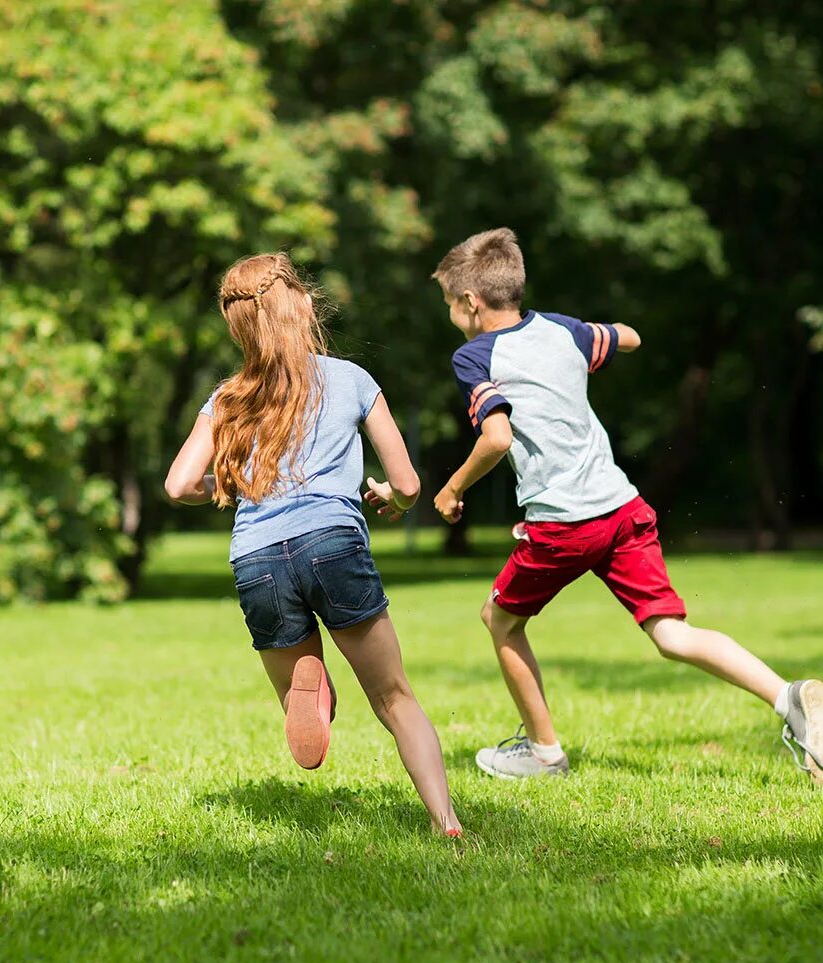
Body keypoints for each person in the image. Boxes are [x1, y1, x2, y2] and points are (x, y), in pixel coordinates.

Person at [431, 227, 822, 782]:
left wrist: (450, 491)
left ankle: (544, 755)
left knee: (500, 620)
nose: (451, 314)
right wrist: (588, 347)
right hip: (622, 509)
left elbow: (495, 438)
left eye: (449, 304)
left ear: (470, 302)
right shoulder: (561, 330)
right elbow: (630, 337)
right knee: (670, 634)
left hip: (564, 523)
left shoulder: (475, 356)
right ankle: (791, 698)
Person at [166, 252, 462, 835]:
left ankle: (314, 692)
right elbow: (406, 484)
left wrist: (227, 483)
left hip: (255, 557)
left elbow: (178, 484)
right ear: (301, 306)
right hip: (331, 541)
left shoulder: (230, 396)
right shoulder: (349, 378)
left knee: (301, 696)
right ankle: (445, 820)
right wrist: (392, 500)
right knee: (395, 697)